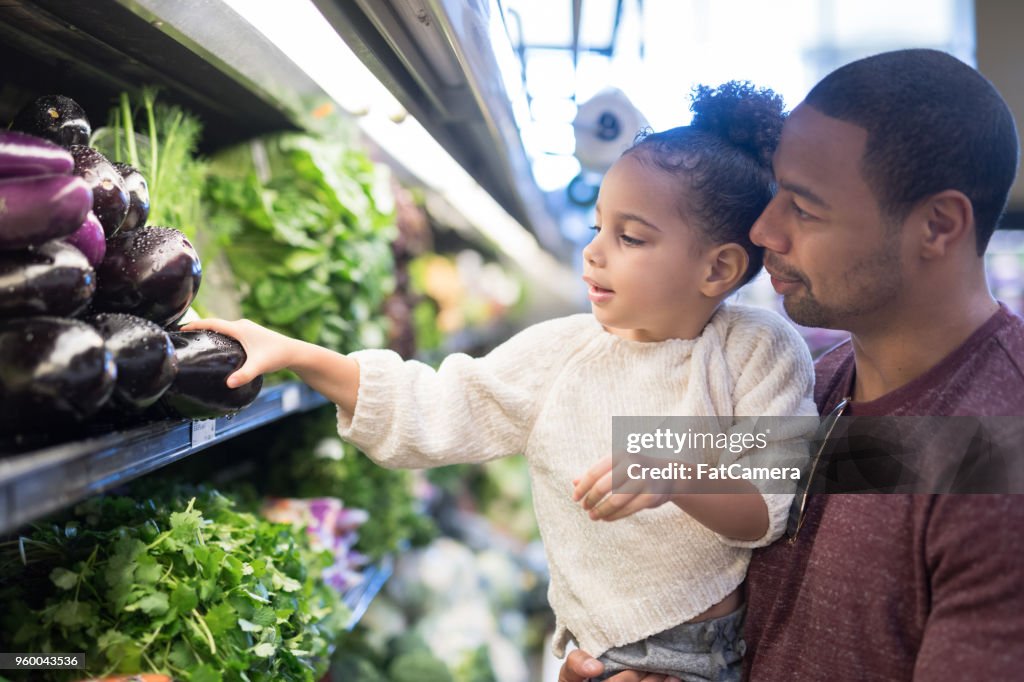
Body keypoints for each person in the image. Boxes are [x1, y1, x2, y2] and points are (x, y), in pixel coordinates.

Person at [185, 82, 817, 681]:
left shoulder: (760, 348)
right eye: (598, 226)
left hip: (701, 656)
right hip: (591, 649)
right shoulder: (560, 353)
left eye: (629, 237)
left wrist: (667, 468)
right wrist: (298, 353)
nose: (594, 252)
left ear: (719, 268)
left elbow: (769, 505)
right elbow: (427, 405)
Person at [558, 48, 1024, 682]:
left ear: (937, 225)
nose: (762, 230)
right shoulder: (817, 383)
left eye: (803, 208)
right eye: (776, 194)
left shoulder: (1003, 445)